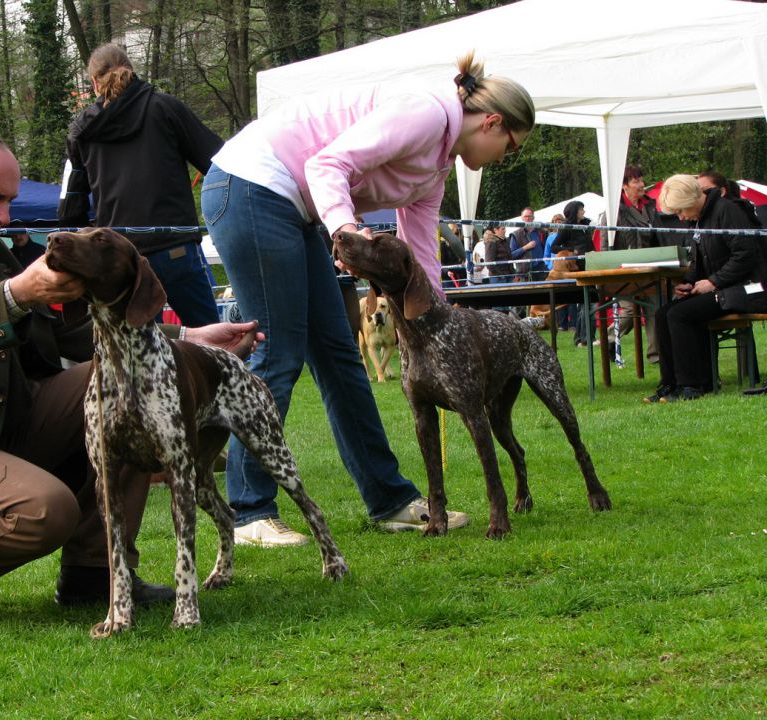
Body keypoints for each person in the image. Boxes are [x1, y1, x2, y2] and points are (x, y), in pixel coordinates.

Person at [0, 129, 262, 624]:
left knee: (128, 399)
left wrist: (187, 338)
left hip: (8, 418)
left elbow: (69, 333)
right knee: (48, 509)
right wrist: (17, 292)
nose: (5, 216)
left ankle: (95, 572)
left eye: (9, 201)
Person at [201, 51, 534, 545]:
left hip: (293, 207)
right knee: (280, 351)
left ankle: (389, 499)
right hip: (251, 186)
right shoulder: (426, 113)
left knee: (340, 357)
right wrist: (347, 234)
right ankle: (249, 512)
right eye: (512, 146)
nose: (507, 158)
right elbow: (327, 162)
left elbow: (419, 245)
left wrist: (438, 326)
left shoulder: (438, 161)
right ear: (492, 122)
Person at [58, 43, 222, 327]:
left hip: (120, 258)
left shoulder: (81, 130)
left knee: (136, 354)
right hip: (175, 246)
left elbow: (70, 204)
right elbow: (220, 164)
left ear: (94, 82)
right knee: (217, 345)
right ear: (131, 71)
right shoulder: (165, 108)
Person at [644, 174, 767, 403]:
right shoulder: (700, 219)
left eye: (681, 211)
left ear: (691, 200)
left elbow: (745, 255)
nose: (680, 217)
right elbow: (701, 261)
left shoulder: (727, 211)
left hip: (749, 289)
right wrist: (689, 282)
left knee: (681, 315)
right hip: (724, 287)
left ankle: (693, 384)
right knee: (663, 314)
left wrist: (713, 282)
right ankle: (670, 383)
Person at [613, 165, 661, 362]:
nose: (641, 184)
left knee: (654, 309)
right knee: (630, 311)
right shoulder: (615, 208)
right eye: (636, 181)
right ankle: (609, 337)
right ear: (624, 186)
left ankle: (656, 356)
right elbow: (607, 245)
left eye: (641, 179)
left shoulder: (651, 205)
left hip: (650, 268)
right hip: (623, 271)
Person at [551, 200, 594, 346]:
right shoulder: (566, 227)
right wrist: (570, 251)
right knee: (586, 304)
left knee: (587, 304)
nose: (584, 212)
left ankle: (581, 339)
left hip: (590, 265)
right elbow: (553, 247)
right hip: (578, 268)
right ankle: (586, 338)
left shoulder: (585, 225)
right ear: (575, 211)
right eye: (582, 209)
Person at [508, 207, 546, 281]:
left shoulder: (542, 232)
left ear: (533, 217)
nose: (527, 219)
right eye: (525, 217)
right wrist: (525, 247)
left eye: (529, 216)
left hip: (541, 271)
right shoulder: (516, 234)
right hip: (524, 274)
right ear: (522, 218)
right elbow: (511, 255)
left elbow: (547, 250)